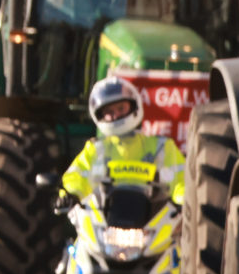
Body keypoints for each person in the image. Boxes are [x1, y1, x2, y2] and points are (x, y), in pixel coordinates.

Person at [60, 77, 186, 207]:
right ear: (100, 116)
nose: (116, 115)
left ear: (134, 106)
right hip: (101, 221)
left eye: (121, 108)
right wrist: (70, 195)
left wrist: (184, 199)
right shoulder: (95, 148)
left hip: (155, 221)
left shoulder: (162, 147)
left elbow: (182, 182)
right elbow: (76, 177)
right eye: (109, 112)